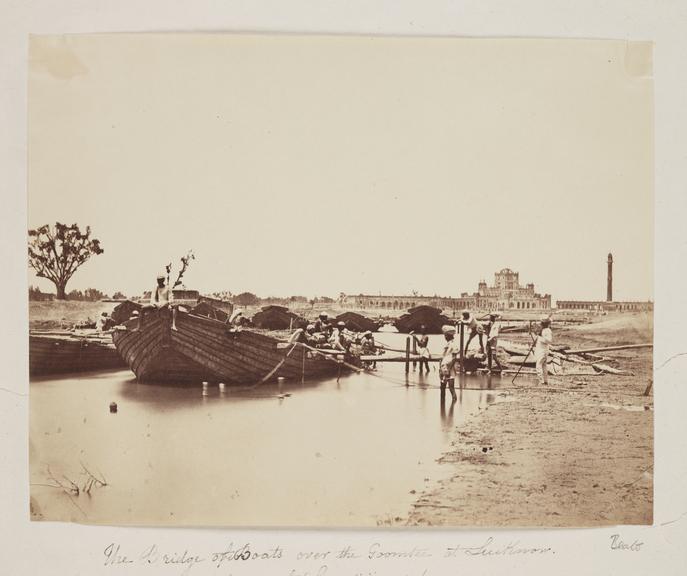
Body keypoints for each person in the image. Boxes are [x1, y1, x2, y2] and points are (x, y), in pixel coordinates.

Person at [439, 324, 459, 401]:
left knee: (451, 388)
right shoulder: (448, 344)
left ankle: (453, 403)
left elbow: (454, 358)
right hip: (444, 367)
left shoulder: (453, 344)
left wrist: (449, 369)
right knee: (442, 387)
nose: (445, 337)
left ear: (448, 336)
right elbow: (443, 357)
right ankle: (443, 407)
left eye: (445, 335)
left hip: (449, 369)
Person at [534, 316, 553, 385]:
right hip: (542, 350)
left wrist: (540, 338)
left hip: (543, 351)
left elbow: (549, 340)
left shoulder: (547, 331)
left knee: (538, 366)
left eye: (541, 323)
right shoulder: (545, 330)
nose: (540, 324)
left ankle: (541, 381)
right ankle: (545, 381)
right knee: (544, 365)